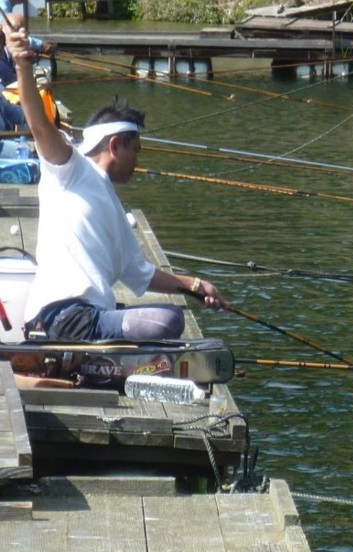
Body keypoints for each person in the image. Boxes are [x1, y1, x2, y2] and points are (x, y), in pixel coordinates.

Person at [7, 26, 227, 342]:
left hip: (90, 318)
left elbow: (141, 273)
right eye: (134, 150)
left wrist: (195, 286)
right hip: (62, 318)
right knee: (168, 322)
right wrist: (22, 66)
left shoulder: (109, 201)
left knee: (168, 321)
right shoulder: (70, 169)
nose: (137, 160)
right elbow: (40, 126)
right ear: (114, 146)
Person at [0, 11, 53, 87]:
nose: (20, 34)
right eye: (14, 29)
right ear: (1, 27)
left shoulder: (18, 51)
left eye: (24, 31)